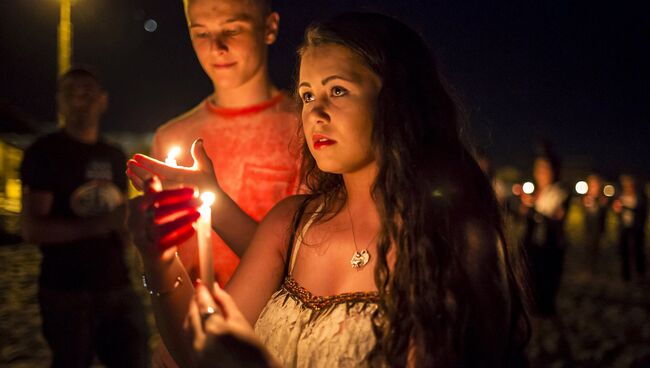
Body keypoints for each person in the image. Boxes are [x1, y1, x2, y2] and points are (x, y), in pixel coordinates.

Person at [128, 12, 530, 367]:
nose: (315, 113)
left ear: (396, 99)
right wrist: (160, 260)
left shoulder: (451, 231)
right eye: (306, 95)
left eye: (337, 91)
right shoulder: (290, 223)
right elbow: (200, 356)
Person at [128, 0, 300, 287]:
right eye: (201, 33)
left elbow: (310, 266)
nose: (217, 47)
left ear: (269, 28)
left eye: (232, 30)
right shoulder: (172, 136)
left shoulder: (307, 130)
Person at [20, 68, 148, 368]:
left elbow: (121, 221)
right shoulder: (44, 152)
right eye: (71, 91)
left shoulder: (115, 155)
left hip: (118, 285)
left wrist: (139, 236)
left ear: (103, 101)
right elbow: (32, 229)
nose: (80, 96)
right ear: (59, 102)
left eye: (88, 90)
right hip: (64, 290)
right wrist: (106, 222)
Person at [519, 150, 569, 316]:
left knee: (547, 279)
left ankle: (545, 311)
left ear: (554, 171)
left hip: (550, 246)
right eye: (538, 169)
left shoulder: (558, 192)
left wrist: (533, 212)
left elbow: (554, 216)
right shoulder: (537, 193)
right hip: (534, 244)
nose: (542, 173)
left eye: (546, 169)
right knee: (533, 277)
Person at [612, 173, 647, 281]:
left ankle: (640, 272)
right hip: (624, 228)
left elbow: (643, 212)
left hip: (637, 228)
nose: (627, 186)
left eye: (629, 183)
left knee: (638, 250)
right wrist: (617, 210)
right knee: (624, 251)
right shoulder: (620, 196)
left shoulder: (640, 197)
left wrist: (627, 208)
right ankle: (626, 274)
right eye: (625, 184)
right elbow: (617, 211)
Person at [581, 173, 608, 273]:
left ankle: (596, 266)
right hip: (588, 228)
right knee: (588, 246)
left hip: (599, 229)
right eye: (591, 184)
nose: (593, 186)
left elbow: (603, 215)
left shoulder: (602, 198)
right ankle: (588, 266)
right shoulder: (586, 197)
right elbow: (584, 211)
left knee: (597, 247)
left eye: (595, 183)